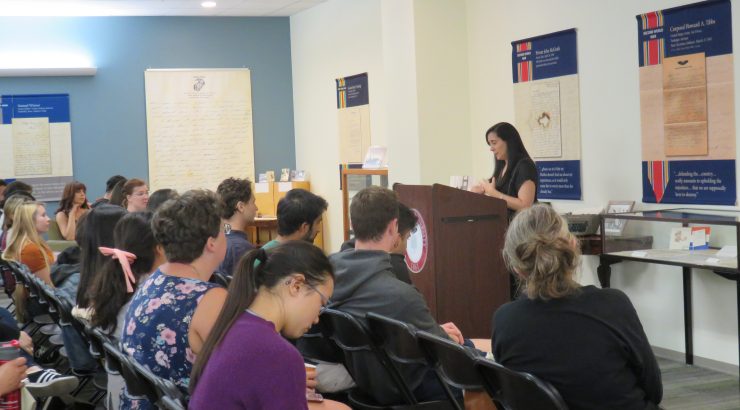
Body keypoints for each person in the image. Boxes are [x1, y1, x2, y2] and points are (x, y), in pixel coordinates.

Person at [492, 204, 662, 410]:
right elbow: (654, 389)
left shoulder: (505, 322)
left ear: (518, 268)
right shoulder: (613, 306)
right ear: (573, 246)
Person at [328, 186, 464, 405]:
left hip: (362, 383)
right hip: (402, 387)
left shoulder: (326, 279)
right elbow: (439, 350)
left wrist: (436, 332)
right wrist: (442, 335)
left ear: (353, 225)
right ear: (393, 228)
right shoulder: (401, 296)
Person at [190, 241, 334, 409]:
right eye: (321, 303)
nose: (317, 318)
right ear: (296, 286)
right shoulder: (278, 353)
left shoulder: (235, 323)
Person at [120, 190, 228, 408]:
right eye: (224, 230)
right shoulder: (210, 299)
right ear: (211, 243)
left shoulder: (153, 280)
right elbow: (243, 373)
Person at [88, 211, 165, 409]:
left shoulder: (114, 283)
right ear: (159, 248)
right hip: (143, 399)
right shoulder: (151, 297)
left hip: (119, 391)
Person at [470, 122, 538, 220]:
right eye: (490, 144)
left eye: (494, 143)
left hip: (522, 230)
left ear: (509, 141)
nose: (491, 149)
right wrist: (481, 193)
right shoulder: (502, 165)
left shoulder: (525, 166)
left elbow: (525, 205)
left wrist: (493, 193)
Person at [340, 202, 417, 285]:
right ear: (395, 236)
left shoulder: (344, 255)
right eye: (407, 238)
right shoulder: (395, 266)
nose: (405, 248)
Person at [215, 177, 257, 276]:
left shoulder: (215, 240)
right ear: (241, 206)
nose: (256, 208)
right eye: (253, 202)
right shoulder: (241, 248)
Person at [261, 188, 327, 251]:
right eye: (318, 222)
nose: (319, 230)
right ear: (304, 227)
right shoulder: (299, 259)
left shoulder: (261, 255)